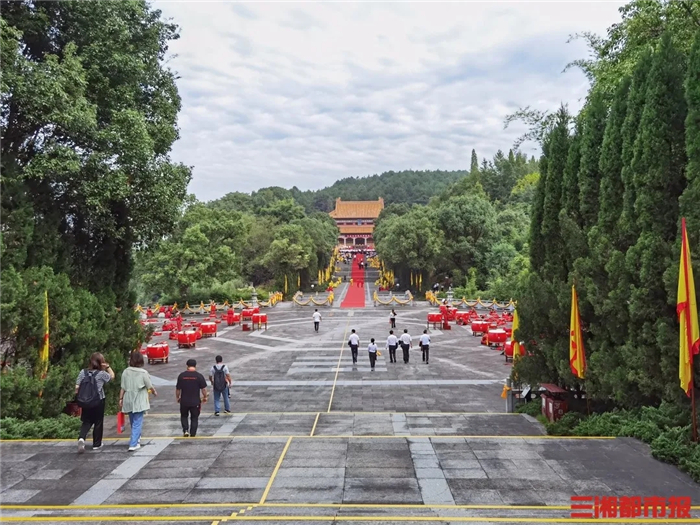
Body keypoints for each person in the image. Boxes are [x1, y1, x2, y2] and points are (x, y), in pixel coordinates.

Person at [75, 352, 115, 453]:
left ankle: (81, 438)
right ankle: (97, 444)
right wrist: (108, 367)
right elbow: (112, 377)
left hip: (85, 401)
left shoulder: (83, 372)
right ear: (101, 362)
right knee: (98, 422)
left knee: (86, 421)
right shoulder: (101, 374)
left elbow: (77, 387)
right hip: (98, 401)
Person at [120, 351, 157, 452]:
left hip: (128, 398)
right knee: (137, 421)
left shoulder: (125, 371)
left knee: (133, 420)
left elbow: (122, 387)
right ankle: (133, 443)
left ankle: (137, 437)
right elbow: (149, 385)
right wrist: (154, 392)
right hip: (138, 400)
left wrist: (120, 399)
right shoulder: (143, 373)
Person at [176, 359, 208, 437]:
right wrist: (205, 397)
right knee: (194, 417)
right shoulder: (199, 376)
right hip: (195, 401)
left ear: (187, 366)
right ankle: (193, 433)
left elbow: (178, 389)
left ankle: (185, 430)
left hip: (184, 401)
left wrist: (178, 397)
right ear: (195, 366)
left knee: (184, 416)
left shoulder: (181, 376)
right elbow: (203, 389)